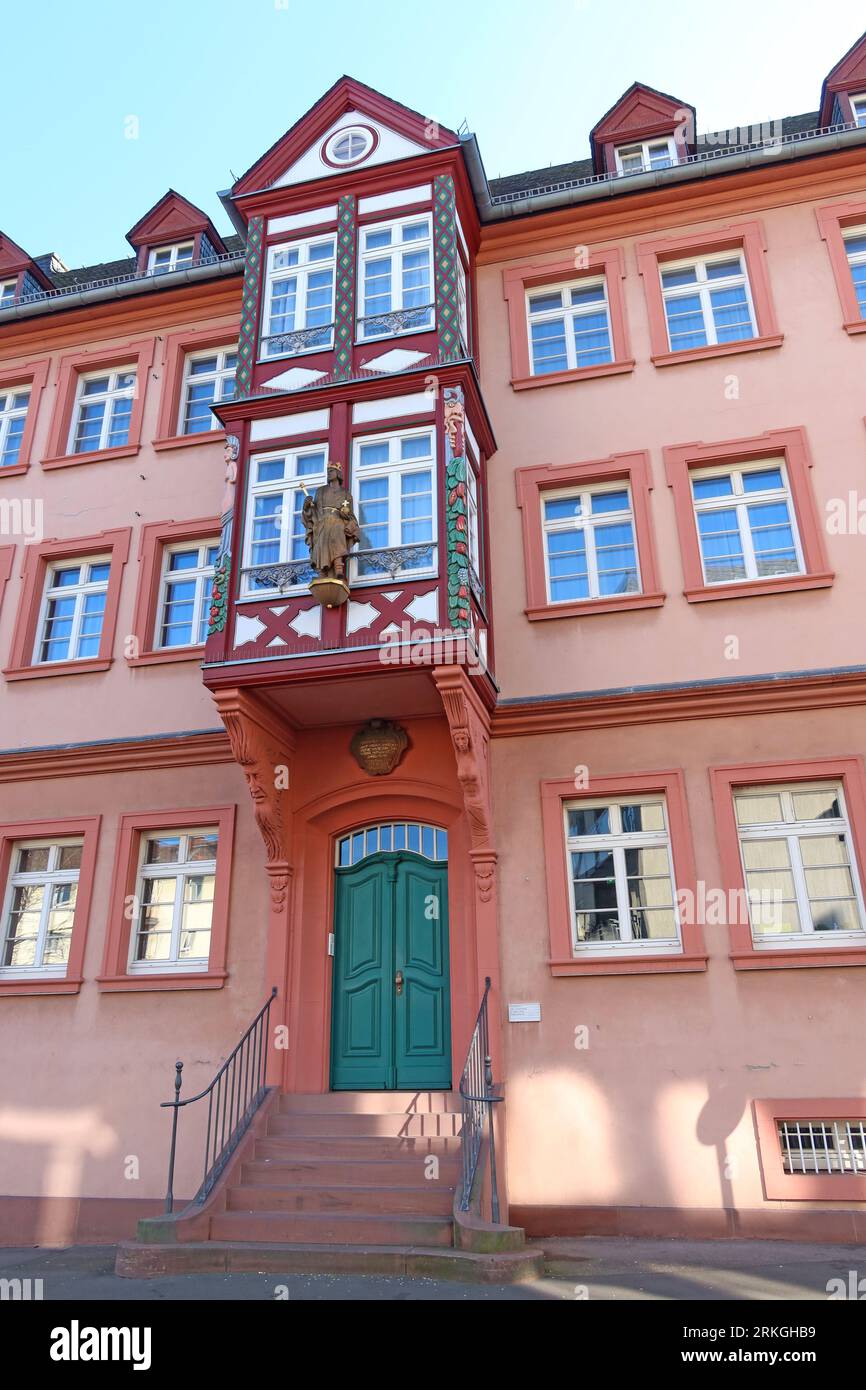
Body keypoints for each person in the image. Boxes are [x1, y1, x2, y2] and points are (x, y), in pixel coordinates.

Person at [302, 461, 359, 580]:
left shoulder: (345, 494)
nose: (328, 474)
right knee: (322, 536)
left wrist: (345, 514)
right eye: (327, 472)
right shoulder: (320, 491)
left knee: (337, 528)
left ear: (338, 474)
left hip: (338, 519)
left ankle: (338, 567)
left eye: (331, 471)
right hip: (321, 520)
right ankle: (322, 571)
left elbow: (350, 514)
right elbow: (314, 511)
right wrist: (307, 506)